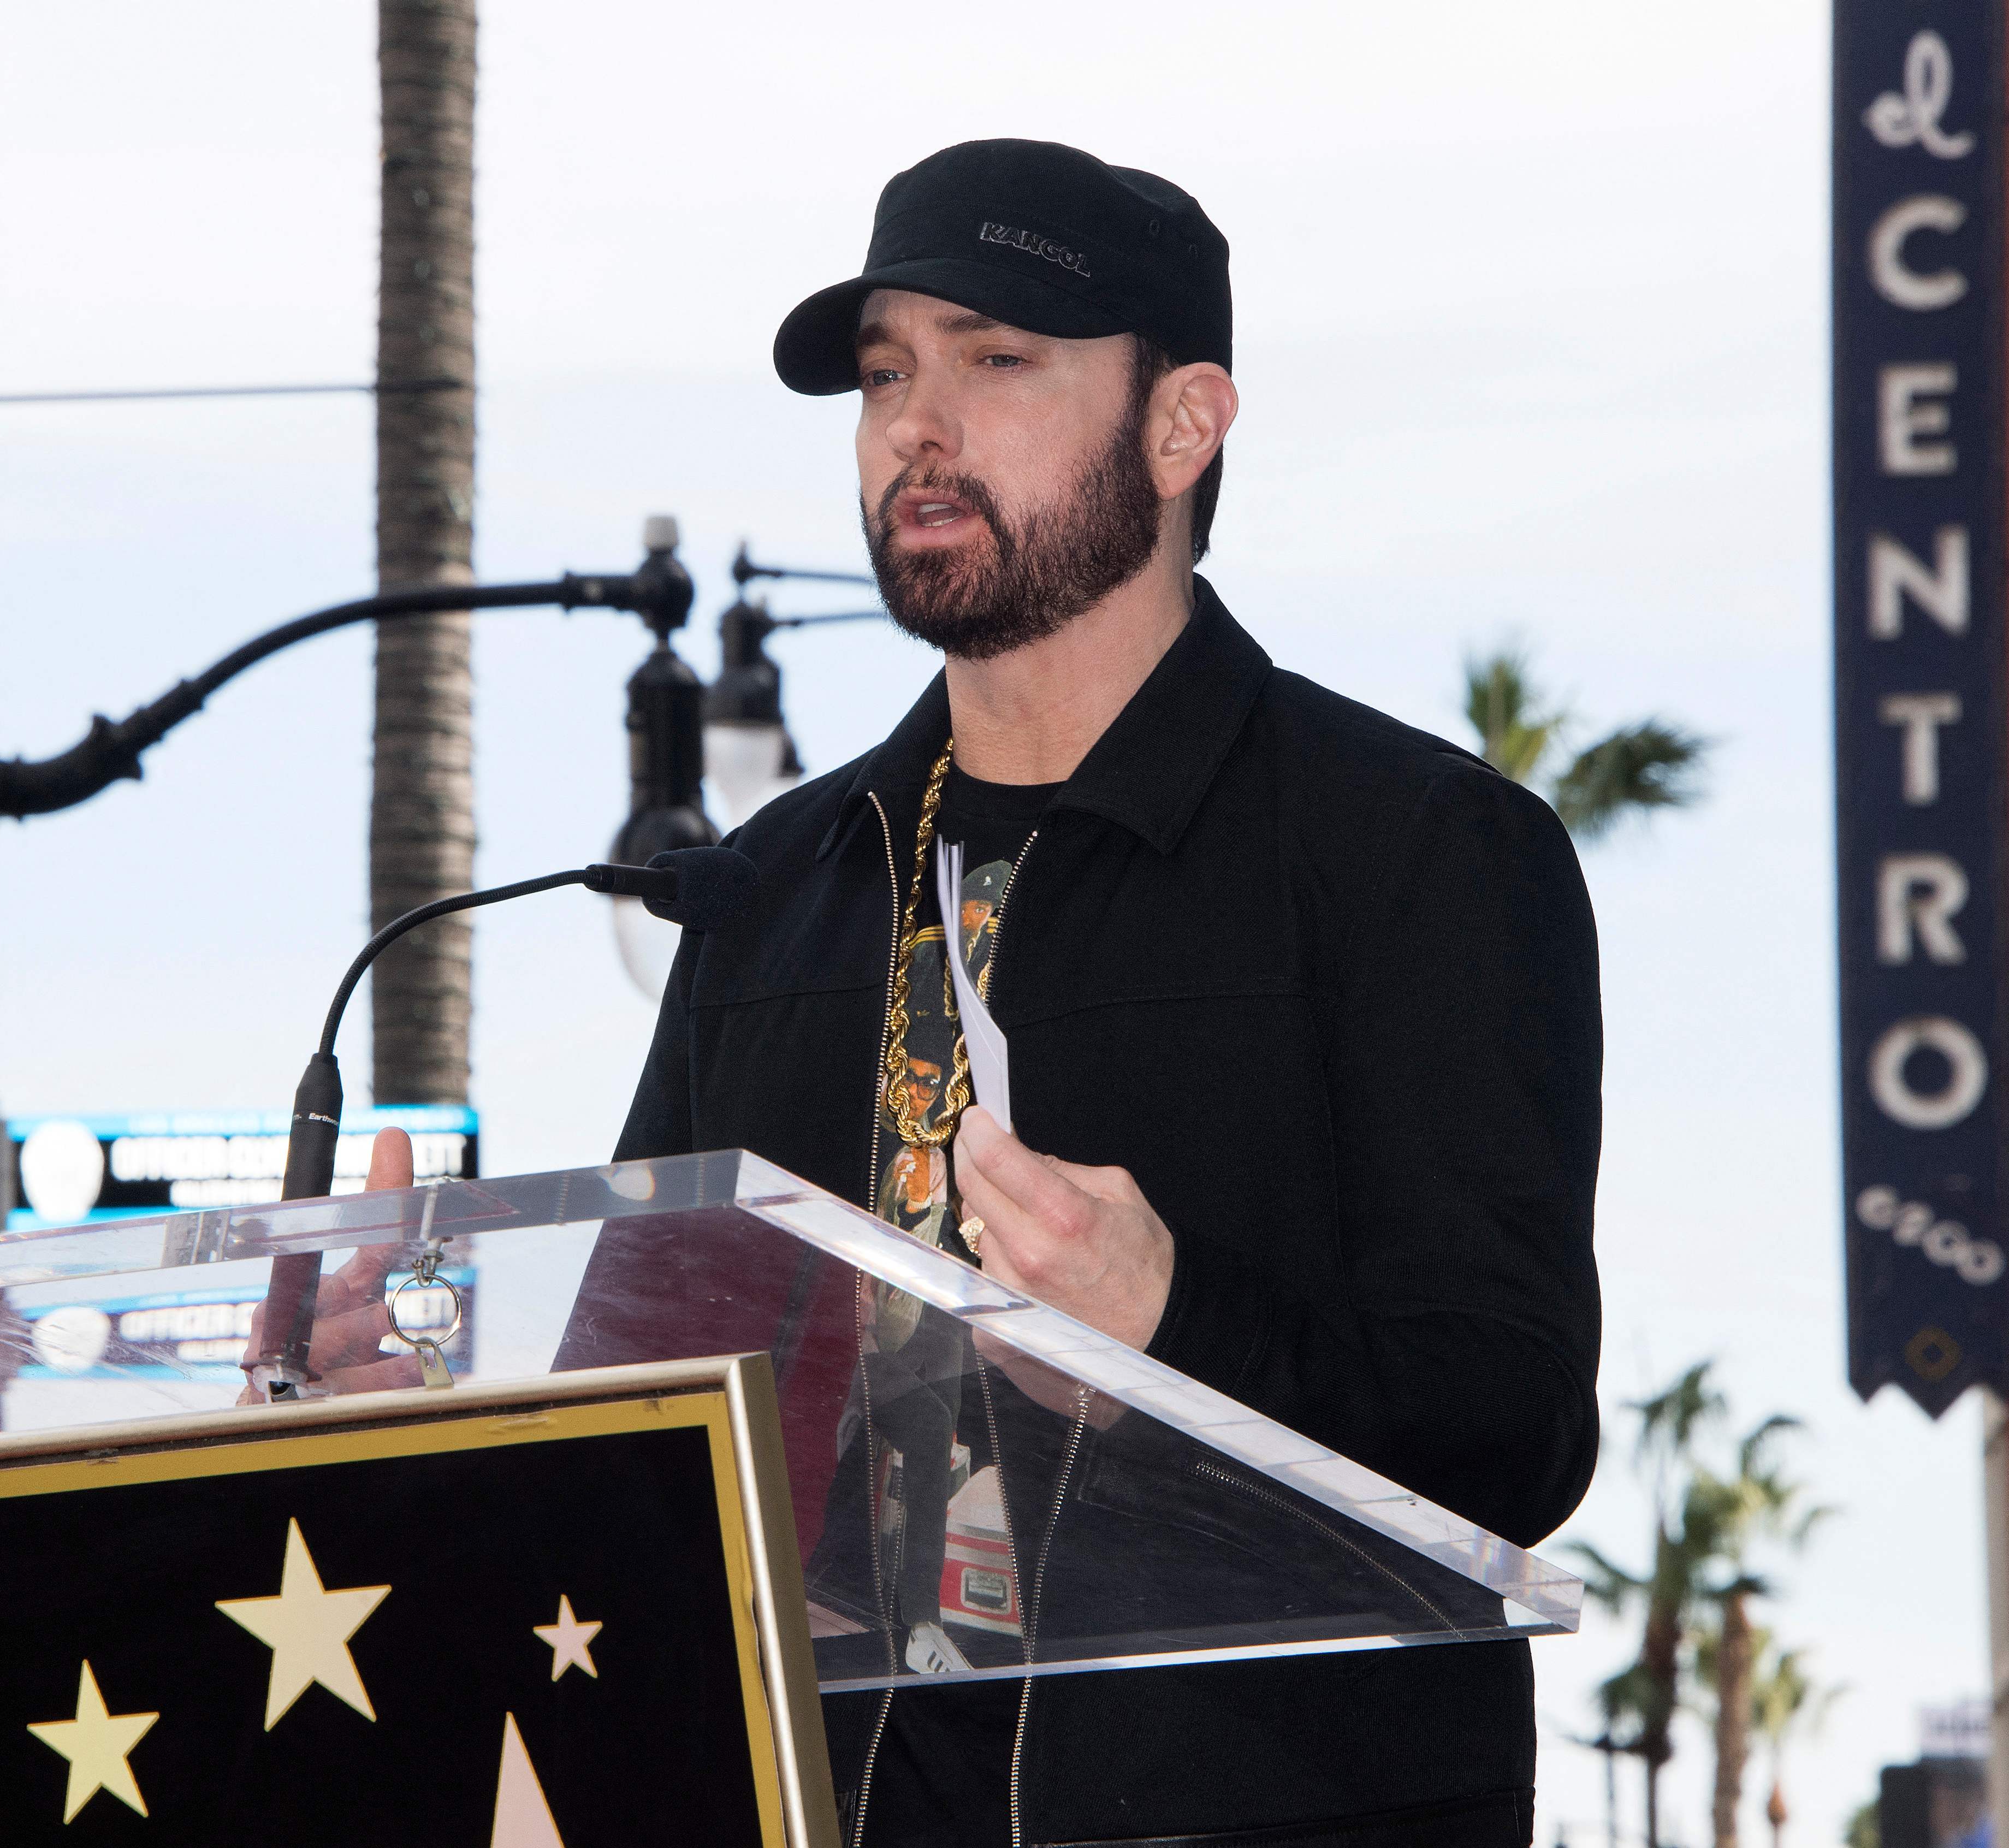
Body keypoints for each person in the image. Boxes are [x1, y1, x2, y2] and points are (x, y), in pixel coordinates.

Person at [615, 139, 1603, 1847]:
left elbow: (1512, 1429)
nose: (918, 426)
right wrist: (402, 1372)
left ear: (1182, 423)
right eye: (884, 374)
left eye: (997, 362)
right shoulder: (770, 888)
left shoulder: (1420, 853)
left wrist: (1177, 1322)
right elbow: (651, 1400)